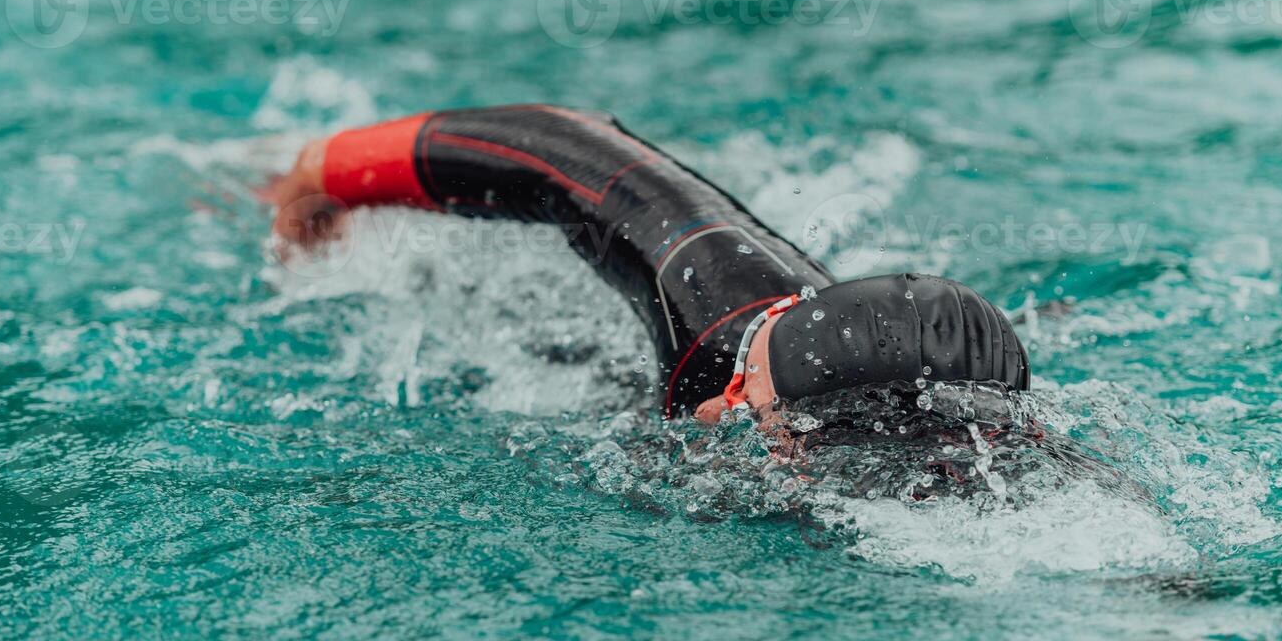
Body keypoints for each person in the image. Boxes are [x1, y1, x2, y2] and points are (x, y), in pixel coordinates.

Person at [263, 104, 1029, 426]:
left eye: (745, 400)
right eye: (735, 380)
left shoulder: (1002, 476)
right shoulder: (719, 305)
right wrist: (323, 173)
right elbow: (564, 152)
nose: (712, 410)